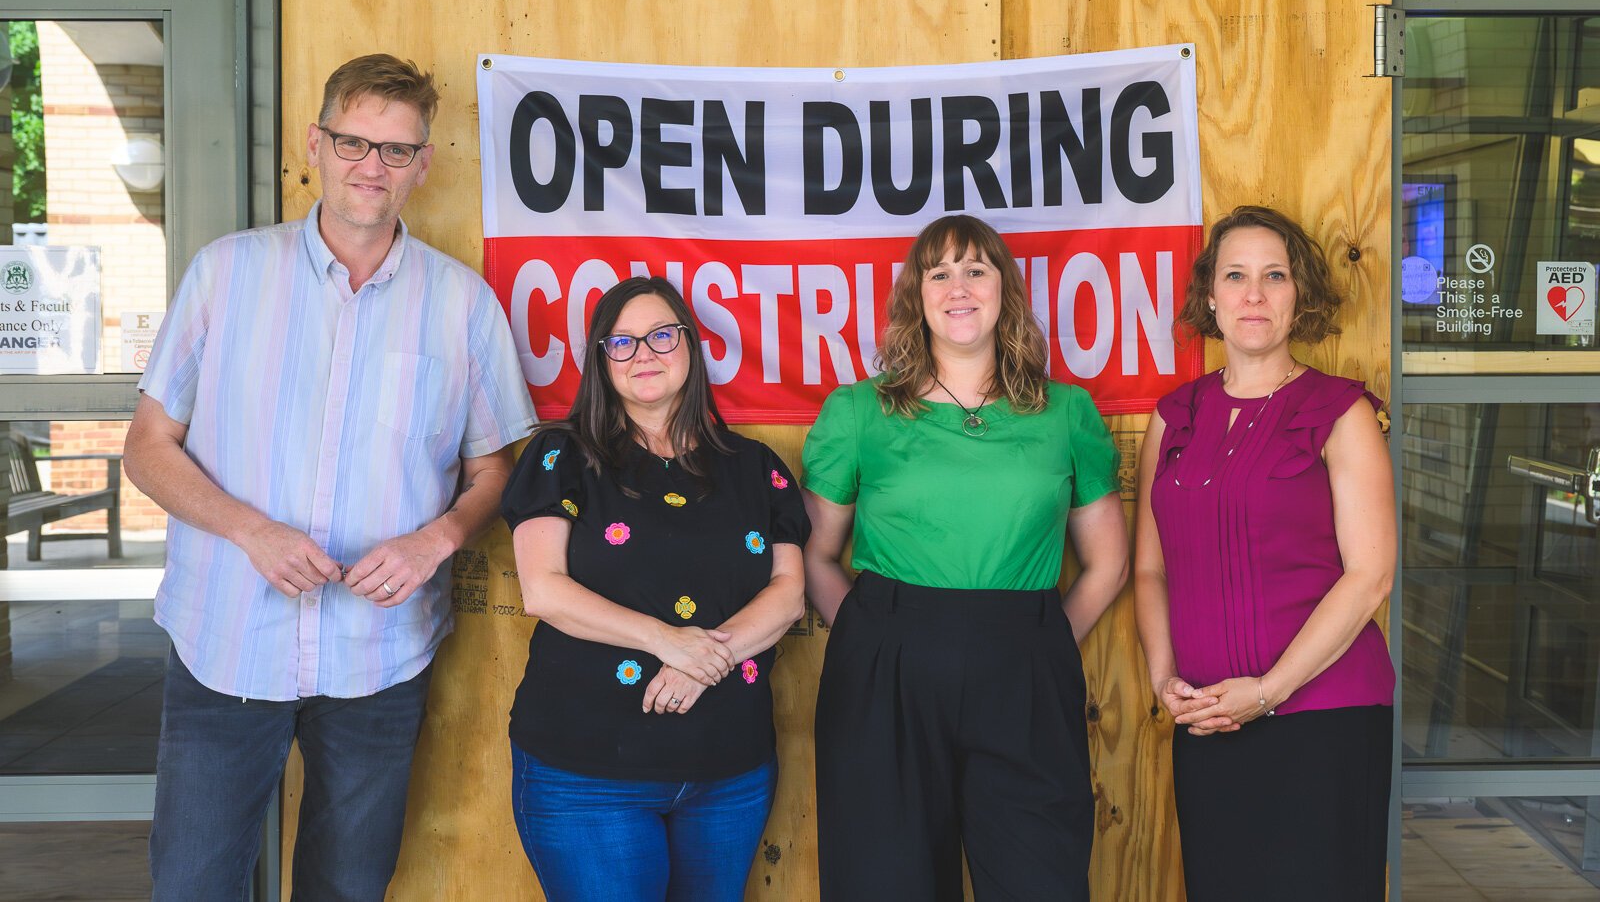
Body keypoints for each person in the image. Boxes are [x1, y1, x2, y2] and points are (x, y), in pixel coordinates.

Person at [124, 53, 537, 901]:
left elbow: (496, 467)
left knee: (346, 890)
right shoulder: (225, 274)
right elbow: (147, 446)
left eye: (396, 150)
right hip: (226, 643)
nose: (371, 167)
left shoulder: (463, 305)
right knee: (193, 884)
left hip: (377, 659)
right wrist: (251, 530)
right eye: (354, 142)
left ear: (424, 164)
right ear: (316, 142)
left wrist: (439, 537)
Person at [801, 214, 1129, 901]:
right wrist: (870, 632)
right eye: (939, 271)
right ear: (915, 296)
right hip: (886, 670)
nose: (959, 286)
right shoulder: (860, 412)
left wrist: (1037, 643)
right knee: (885, 880)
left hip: (1025, 666)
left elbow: (1107, 563)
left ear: (1004, 289)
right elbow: (817, 553)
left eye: (976, 269)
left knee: (1039, 878)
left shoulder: (1065, 411)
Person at [502, 276, 809, 902]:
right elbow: (543, 590)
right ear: (600, 359)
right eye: (622, 342)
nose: (644, 353)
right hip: (588, 770)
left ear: (691, 347)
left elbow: (788, 595)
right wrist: (669, 643)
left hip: (730, 770)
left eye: (662, 336)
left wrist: (701, 663)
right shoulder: (562, 455)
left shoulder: (755, 467)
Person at [1133, 205, 1396, 902]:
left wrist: (1269, 690)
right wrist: (1166, 683)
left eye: (1274, 276)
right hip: (1209, 720)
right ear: (1210, 298)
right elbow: (1150, 568)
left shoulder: (1340, 411)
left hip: (1325, 719)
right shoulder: (1174, 415)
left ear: (1298, 295)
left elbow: (1370, 577)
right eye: (1237, 275)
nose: (1254, 294)